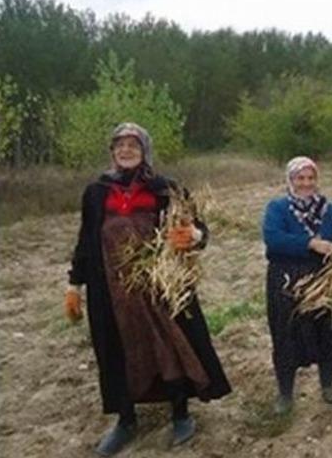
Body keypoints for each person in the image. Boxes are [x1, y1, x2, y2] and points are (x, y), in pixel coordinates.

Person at [64, 123, 231, 456]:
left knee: (171, 344)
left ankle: (180, 412)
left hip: (159, 287)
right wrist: (74, 284)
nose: (126, 150)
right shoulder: (96, 192)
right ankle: (126, 420)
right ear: (112, 151)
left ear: (145, 151)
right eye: (120, 145)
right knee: (119, 350)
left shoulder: (164, 188)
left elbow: (197, 228)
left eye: (133, 145)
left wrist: (194, 237)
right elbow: (86, 241)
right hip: (111, 291)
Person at [262, 156, 332, 415]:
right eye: (300, 178)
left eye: (311, 178)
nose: (306, 183)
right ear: (291, 180)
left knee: (328, 329)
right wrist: (310, 244)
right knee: (287, 334)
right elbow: (273, 239)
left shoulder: (331, 210)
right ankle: (285, 394)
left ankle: (328, 386)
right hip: (288, 280)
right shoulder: (277, 208)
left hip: (325, 277)